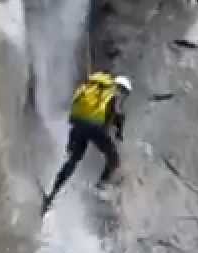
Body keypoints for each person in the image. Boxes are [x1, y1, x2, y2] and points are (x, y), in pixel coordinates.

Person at [42, 72, 133, 215]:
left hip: (78, 124)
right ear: (123, 88)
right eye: (125, 93)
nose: (124, 96)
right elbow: (117, 112)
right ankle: (101, 185)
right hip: (94, 127)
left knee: (72, 161)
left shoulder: (94, 87)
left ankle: (51, 195)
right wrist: (119, 130)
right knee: (114, 158)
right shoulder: (113, 90)